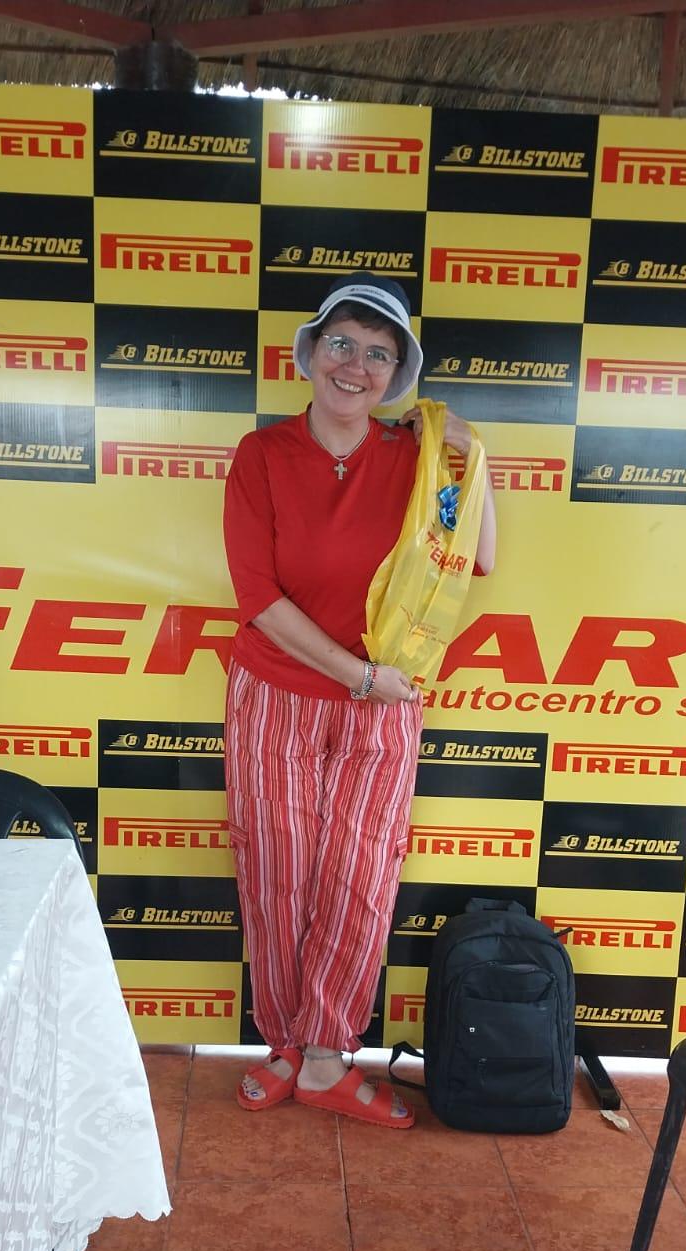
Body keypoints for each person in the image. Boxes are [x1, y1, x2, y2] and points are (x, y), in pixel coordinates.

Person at [223, 271, 497, 1128]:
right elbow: (258, 597)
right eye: (342, 343)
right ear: (310, 354)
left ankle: (327, 1057)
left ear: (396, 375)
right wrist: (359, 677)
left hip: (384, 705)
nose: (356, 365)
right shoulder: (262, 455)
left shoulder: (419, 461)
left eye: (380, 354)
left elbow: (479, 556)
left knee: (360, 875)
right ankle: (285, 1043)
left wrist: (471, 453)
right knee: (277, 870)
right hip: (278, 692)